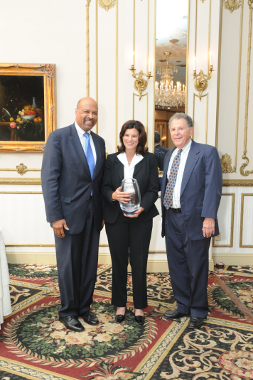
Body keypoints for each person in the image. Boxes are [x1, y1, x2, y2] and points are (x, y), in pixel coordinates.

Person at [41, 97, 106, 332]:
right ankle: (68, 312)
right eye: (86, 111)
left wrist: (101, 213)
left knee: (89, 263)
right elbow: (49, 179)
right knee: (68, 265)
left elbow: (97, 182)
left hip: (94, 214)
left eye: (95, 112)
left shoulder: (99, 142)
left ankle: (84, 308)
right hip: (67, 216)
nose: (91, 116)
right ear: (77, 111)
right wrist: (55, 217)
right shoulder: (58, 138)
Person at [160, 113, 222, 329]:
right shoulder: (169, 155)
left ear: (191, 130)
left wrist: (209, 217)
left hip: (197, 220)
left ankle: (198, 309)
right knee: (176, 264)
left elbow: (213, 187)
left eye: (181, 128)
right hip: (171, 217)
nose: (176, 133)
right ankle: (183, 305)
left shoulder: (206, 152)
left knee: (196, 265)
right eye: (173, 129)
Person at [102, 120, 159, 325]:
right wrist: (113, 196)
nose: (130, 139)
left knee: (139, 263)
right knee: (118, 263)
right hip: (115, 219)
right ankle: (119, 305)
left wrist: (142, 207)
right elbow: (104, 187)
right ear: (122, 137)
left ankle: (139, 306)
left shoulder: (149, 159)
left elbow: (154, 189)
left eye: (134, 136)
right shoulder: (111, 159)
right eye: (127, 135)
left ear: (140, 138)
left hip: (141, 219)